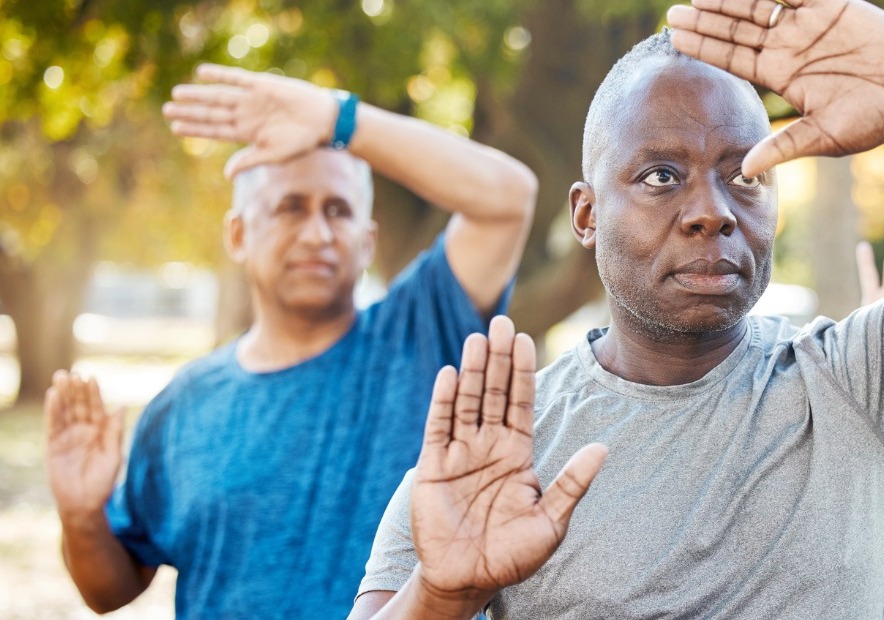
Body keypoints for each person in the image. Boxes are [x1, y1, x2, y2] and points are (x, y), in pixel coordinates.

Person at [350, 0, 884, 617]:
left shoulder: (861, 380)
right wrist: (444, 598)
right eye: (662, 175)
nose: (713, 210)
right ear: (586, 215)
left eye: (747, 174)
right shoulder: (500, 450)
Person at [43, 64, 537, 618]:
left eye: (338, 209)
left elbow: (509, 197)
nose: (317, 233)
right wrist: (83, 517)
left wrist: (338, 117)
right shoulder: (182, 406)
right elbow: (110, 592)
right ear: (237, 234)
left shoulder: (419, 331)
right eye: (290, 207)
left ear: (367, 240)